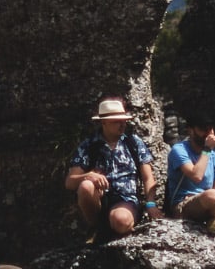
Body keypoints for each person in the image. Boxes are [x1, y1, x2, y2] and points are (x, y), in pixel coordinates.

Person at [66, 97, 157, 239]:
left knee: (121, 221)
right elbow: (70, 182)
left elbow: (148, 177)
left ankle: (119, 224)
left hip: (126, 199)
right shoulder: (89, 146)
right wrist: (89, 176)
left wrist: (151, 204)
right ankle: (97, 228)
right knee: (85, 186)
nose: (122, 125)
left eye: (124, 121)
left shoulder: (133, 142)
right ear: (103, 123)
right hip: (99, 200)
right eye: (116, 122)